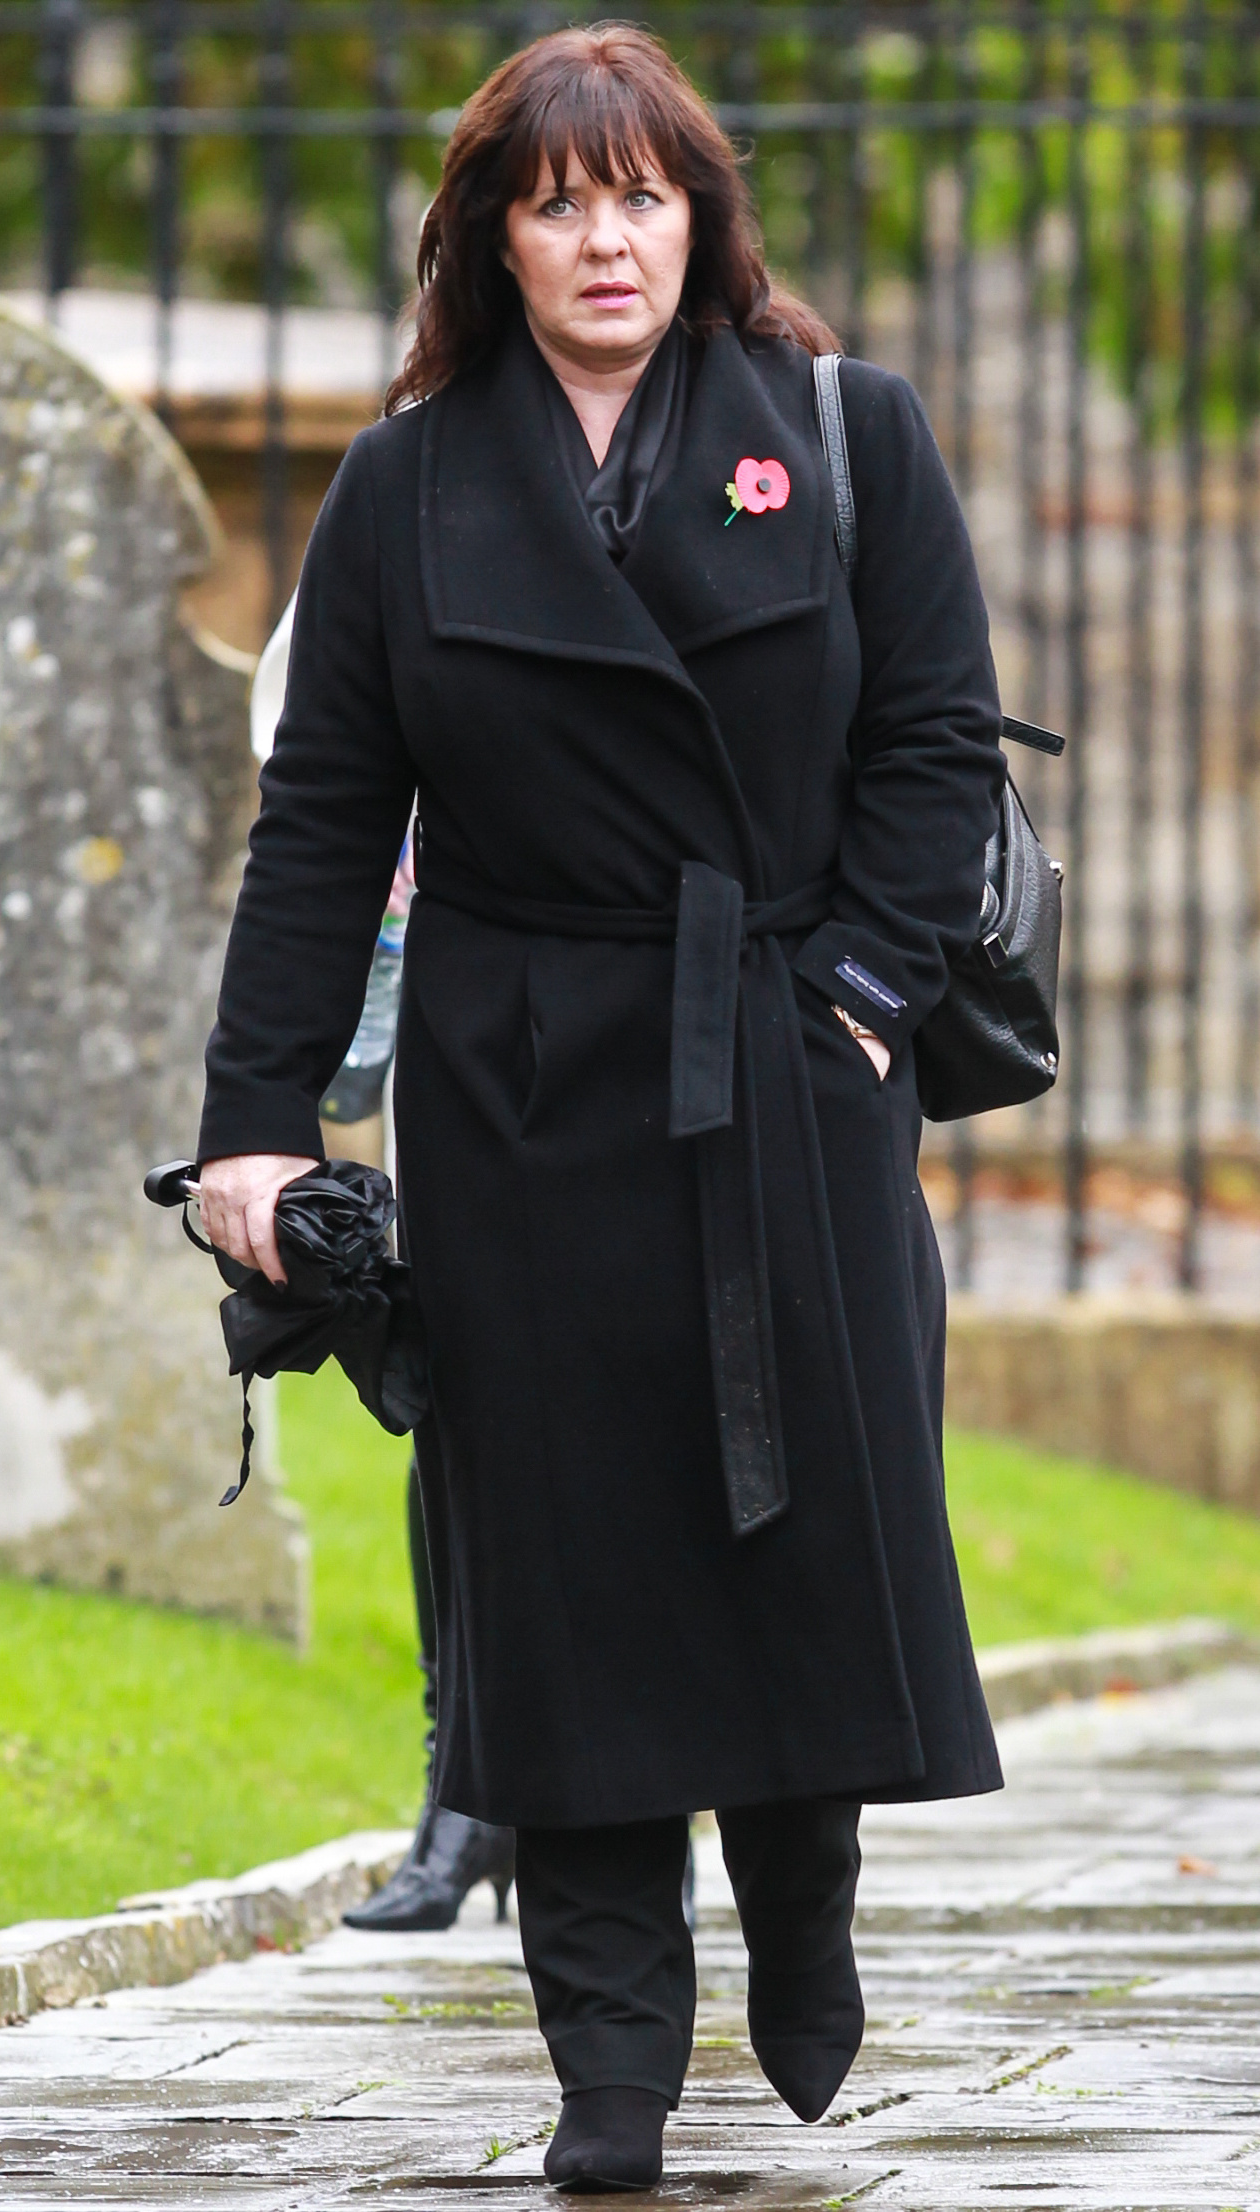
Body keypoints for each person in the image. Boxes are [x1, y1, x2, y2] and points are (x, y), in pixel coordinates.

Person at [197, 22, 1007, 2193]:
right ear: (494, 233)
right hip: (517, 1082)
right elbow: (321, 828)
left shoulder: (842, 435)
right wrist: (256, 1127)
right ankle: (610, 2061)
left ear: (698, 214)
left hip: (781, 1060)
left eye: (637, 191)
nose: (602, 235)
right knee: (559, 1573)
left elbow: (934, 748)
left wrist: (850, 995)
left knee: (797, 1522)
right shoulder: (404, 483)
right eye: (554, 199)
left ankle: (803, 1896)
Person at [255, 602, 518, 1932]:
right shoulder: (419, 474)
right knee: (461, 1399)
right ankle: (461, 1786)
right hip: (469, 1022)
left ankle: (650, 1810)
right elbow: (308, 738)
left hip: (685, 1021)